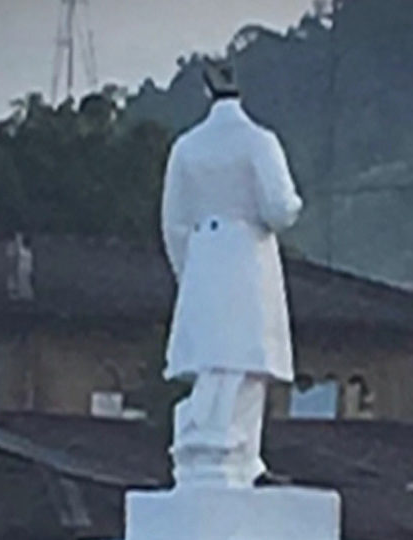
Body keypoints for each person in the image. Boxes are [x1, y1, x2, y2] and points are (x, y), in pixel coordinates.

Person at [161, 55, 303, 488]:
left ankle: (237, 453)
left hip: (203, 256)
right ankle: (236, 450)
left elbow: (173, 221)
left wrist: (190, 271)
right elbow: (279, 210)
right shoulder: (259, 141)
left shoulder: (187, 147)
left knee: (216, 357)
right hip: (246, 256)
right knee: (244, 356)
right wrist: (296, 204)